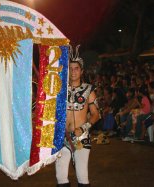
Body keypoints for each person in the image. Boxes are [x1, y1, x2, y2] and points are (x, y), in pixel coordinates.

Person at [55, 45, 99, 187]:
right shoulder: (59, 89)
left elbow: (95, 114)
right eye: (71, 68)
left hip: (81, 138)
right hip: (62, 137)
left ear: (82, 71)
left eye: (76, 69)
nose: (73, 72)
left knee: (82, 176)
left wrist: (83, 128)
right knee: (60, 177)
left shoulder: (89, 89)